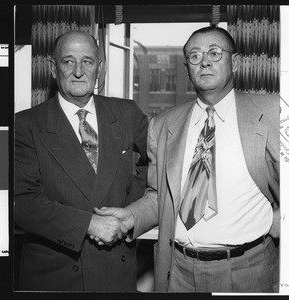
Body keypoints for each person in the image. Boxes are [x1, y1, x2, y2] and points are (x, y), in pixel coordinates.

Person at [95, 26, 280, 293]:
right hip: (177, 272)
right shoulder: (163, 126)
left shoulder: (273, 111)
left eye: (215, 53)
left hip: (248, 269)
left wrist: (281, 218)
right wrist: (128, 217)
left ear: (235, 62)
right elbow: (160, 196)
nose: (204, 61)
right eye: (195, 56)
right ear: (187, 69)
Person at [15, 30, 148, 292]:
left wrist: (130, 213)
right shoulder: (25, 124)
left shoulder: (127, 113)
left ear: (100, 67)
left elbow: (155, 169)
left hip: (116, 270)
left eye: (87, 61)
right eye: (68, 61)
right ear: (54, 68)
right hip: (56, 275)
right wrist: (90, 223)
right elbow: (21, 201)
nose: (78, 71)